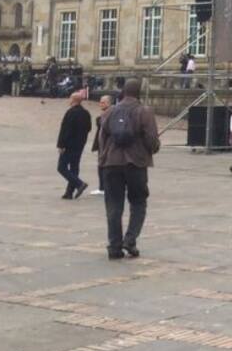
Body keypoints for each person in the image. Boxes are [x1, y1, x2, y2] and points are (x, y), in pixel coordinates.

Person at [98, 78, 159, 260]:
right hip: (136, 163)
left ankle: (114, 246)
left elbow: (102, 138)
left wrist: (103, 159)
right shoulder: (145, 111)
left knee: (114, 205)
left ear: (123, 92)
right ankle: (130, 239)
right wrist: (154, 148)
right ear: (139, 93)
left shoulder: (109, 111)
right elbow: (151, 140)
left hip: (112, 163)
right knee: (138, 202)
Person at [56, 91, 92, 200]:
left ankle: (79, 183)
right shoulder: (86, 113)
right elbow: (89, 128)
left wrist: (61, 144)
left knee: (61, 167)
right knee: (74, 167)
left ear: (74, 100)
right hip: (80, 144)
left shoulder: (71, 113)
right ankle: (69, 192)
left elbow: (65, 130)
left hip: (69, 144)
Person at [90, 94, 112, 195]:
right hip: (102, 143)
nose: (100, 104)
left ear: (109, 103)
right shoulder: (104, 114)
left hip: (106, 144)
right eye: (100, 102)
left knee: (103, 166)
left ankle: (103, 187)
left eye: (103, 102)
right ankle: (103, 186)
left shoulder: (108, 114)